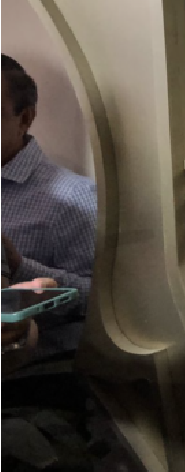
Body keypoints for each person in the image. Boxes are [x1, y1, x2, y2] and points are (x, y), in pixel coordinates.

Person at [1, 54, 97, 359]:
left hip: (30, 371)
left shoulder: (76, 197)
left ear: (25, 119)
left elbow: (103, 302)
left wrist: (19, 267)